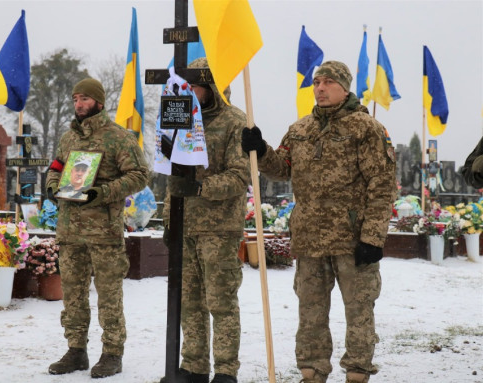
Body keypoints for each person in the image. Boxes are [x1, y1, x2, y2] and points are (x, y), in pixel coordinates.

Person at [241, 61, 397, 383]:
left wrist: (373, 238)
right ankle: (312, 372)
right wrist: (260, 149)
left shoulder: (365, 129)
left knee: (359, 311)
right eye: (316, 82)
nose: (320, 88)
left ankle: (357, 371)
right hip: (310, 239)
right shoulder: (300, 130)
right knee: (310, 313)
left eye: (328, 82)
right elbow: (281, 167)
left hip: (352, 240)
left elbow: (382, 186)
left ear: (344, 87)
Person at [45, 77, 149, 378]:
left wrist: (103, 193)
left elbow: (140, 175)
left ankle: (112, 353)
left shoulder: (118, 137)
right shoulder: (69, 139)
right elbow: (56, 168)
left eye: (85, 99)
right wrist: (53, 187)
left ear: (99, 103)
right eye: (76, 98)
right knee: (73, 294)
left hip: (103, 232)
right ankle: (76, 350)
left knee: (109, 295)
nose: (79, 104)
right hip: (70, 230)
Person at [162, 57, 250, 383]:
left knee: (221, 301)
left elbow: (240, 177)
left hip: (219, 228)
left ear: (211, 85)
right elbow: (172, 176)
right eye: (186, 84)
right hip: (186, 225)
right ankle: (194, 366)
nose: (190, 90)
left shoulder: (235, 121)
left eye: (195, 84)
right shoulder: (180, 119)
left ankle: (226, 371)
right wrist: (169, 220)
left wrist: (201, 186)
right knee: (190, 302)